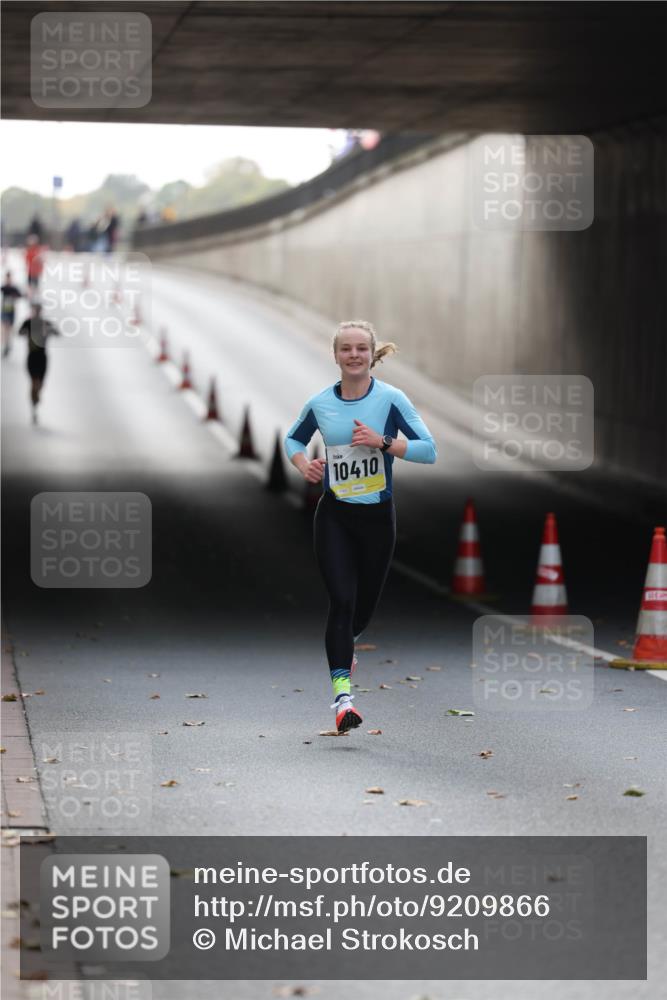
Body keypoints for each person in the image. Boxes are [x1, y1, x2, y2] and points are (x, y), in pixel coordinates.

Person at [285, 320, 437, 733]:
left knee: (362, 611)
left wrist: (383, 442)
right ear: (335, 355)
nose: (353, 355)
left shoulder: (391, 400)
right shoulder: (320, 403)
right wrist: (303, 465)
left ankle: (344, 650)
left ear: (372, 355)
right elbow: (293, 440)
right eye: (346, 349)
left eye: (361, 349)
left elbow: (429, 450)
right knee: (342, 601)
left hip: (377, 520)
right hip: (334, 516)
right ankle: (343, 699)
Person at [18, 302, 59, 424]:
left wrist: (49, 331)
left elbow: (57, 333)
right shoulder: (28, 323)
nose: (36, 313)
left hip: (42, 358)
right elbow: (20, 332)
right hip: (32, 357)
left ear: (41, 311)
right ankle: (34, 408)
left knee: (40, 384)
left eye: (38, 311)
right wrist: (27, 332)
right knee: (34, 382)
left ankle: (35, 400)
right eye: (34, 310)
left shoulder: (45, 323)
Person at [1, 271, 23, 357]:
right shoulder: (4, 287)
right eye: (7, 278)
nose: (8, 280)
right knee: (4, 327)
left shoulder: (14, 288)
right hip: (4, 310)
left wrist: (15, 296)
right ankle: (5, 344)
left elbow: (21, 295)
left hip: (11, 311)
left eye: (9, 278)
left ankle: (8, 343)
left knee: (9, 329)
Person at [24, 235, 45, 300]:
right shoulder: (29, 251)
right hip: (31, 271)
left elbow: (41, 261)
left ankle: (35, 296)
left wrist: (40, 270)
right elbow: (27, 260)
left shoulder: (37, 251)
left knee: (35, 285)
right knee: (30, 284)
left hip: (35, 272)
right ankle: (31, 295)